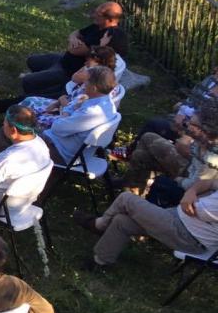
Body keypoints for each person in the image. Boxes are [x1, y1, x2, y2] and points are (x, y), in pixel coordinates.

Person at [77, 175, 218, 271]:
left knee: (126, 199)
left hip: (189, 237)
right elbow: (209, 182)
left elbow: (193, 208)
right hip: (178, 218)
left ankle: (99, 225)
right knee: (122, 221)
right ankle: (100, 262)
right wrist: (192, 191)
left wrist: (191, 196)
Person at [20, 1, 128, 98]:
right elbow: (75, 33)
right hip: (63, 59)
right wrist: (73, 39)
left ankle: (35, 94)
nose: (94, 15)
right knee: (32, 60)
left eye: (98, 14)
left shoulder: (110, 35)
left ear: (109, 19)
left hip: (69, 72)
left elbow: (74, 50)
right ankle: (44, 80)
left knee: (27, 81)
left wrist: (75, 44)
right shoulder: (97, 26)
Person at [113, 101, 218, 199]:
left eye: (192, 124)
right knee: (141, 152)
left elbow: (193, 185)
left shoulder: (212, 158)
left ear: (204, 130)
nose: (187, 125)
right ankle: (133, 192)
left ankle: (133, 192)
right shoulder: (203, 140)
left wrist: (175, 178)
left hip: (187, 183)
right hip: (188, 166)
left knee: (143, 152)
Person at [0, 106, 52, 215]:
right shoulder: (41, 145)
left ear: (13, 130)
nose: (3, 126)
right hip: (21, 203)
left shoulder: (9, 158)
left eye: (4, 124)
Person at [0, 45, 115, 116]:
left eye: (89, 61)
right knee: (33, 94)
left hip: (66, 98)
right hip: (66, 92)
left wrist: (62, 101)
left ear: (99, 62)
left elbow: (75, 82)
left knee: (30, 98)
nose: (85, 63)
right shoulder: (98, 74)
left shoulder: (94, 79)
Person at [37, 64, 118, 165]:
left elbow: (56, 128)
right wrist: (67, 113)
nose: (83, 84)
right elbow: (70, 109)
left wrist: (65, 113)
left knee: (20, 127)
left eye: (86, 81)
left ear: (94, 88)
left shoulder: (92, 112)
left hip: (61, 152)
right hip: (70, 147)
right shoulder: (107, 104)